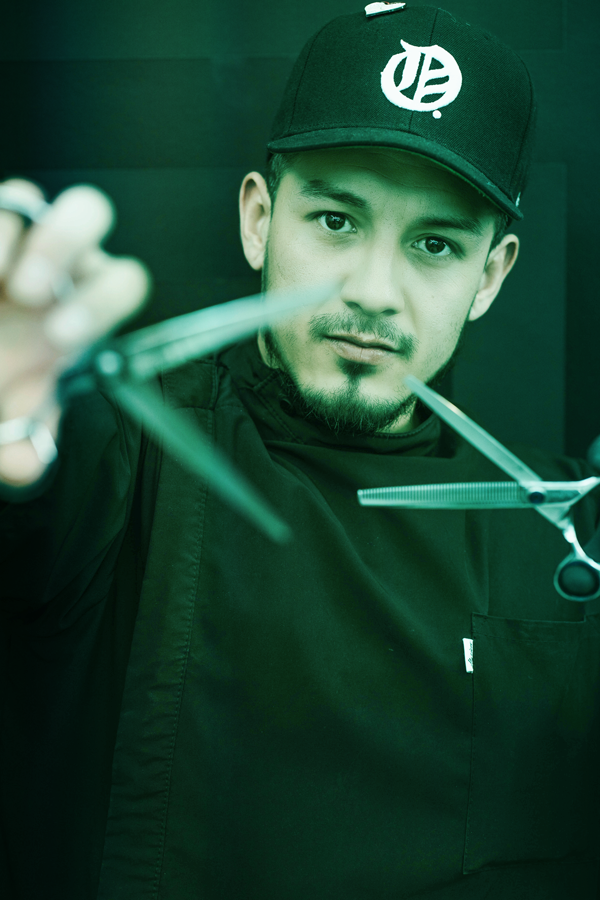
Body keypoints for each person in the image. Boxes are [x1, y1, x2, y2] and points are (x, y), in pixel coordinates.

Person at [1, 5, 600, 899]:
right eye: (334, 221)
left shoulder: (571, 526)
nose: (372, 291)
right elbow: (31, 497)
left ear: (492, 275)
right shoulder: (126, 450)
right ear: (258, 218)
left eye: (434, 244)